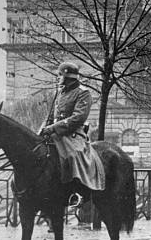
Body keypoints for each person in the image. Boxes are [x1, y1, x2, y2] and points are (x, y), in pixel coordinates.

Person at [39, 61, 104, 207]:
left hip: (73, 133)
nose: (58, 78)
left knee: (72, 155)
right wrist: (43, 129)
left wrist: (54, 127)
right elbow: (51, 115)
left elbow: (78, 117)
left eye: (59, 75)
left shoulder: (83, 92)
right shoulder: (60, 92)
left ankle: (76, 191)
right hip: (56, 132)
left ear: (67, 76)